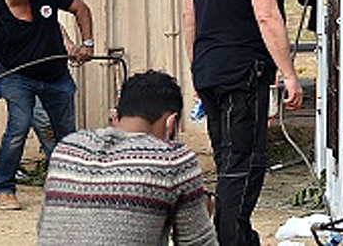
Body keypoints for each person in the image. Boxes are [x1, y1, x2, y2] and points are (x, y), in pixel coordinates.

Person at [183, 0, 303, 245]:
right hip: (242, 74)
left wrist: (197, 68)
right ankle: (230, 237)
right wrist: (289, 74)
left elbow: (189, 18)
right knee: (245, 162)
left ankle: (240, 234)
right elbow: (266, 16)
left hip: (209, 72)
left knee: (227, 159)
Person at [37, 70, 217, 246]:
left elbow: (45, 229)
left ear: (115, 117)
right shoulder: (173, 159)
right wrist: (202, 212)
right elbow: (198, 242)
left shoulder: (66, 150)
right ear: (171, 123)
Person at [0, 0, 94, 211]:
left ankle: (71, 187)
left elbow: (81, 9)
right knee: (18, 129)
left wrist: (86, 44)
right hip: (17, 77)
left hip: (56, 76)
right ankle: (3, 189)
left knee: (66, 133)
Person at [0, 0, 57, 163]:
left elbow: (47, 25)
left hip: (21, 73)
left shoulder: (15, 0)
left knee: (44, 123)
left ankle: (61, 168)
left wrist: (68, 43)